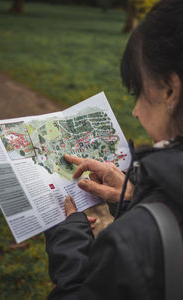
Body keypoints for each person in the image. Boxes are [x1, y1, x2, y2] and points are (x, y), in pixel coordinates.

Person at [44, 0, 183, 299]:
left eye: (138, 92)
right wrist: (135, 199)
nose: (134, 111)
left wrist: (68, 239)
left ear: (170, 90)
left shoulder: (128, 245)